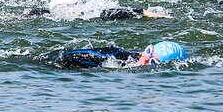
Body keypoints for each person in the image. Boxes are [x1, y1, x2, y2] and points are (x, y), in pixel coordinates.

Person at [53, 41, 187, 69]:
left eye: (153, 62)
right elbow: (66, 57)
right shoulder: (118, 56)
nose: (145, 59)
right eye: (148, 52)